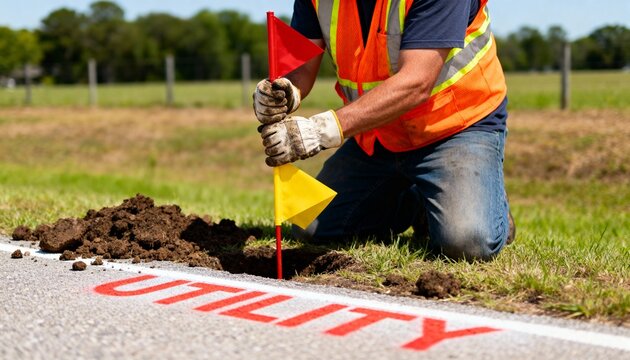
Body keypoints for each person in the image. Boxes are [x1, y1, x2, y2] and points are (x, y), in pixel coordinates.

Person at [253, 0, 515, 261]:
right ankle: (421, 201)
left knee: (466, 242)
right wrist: (286, 90)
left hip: (455, 126)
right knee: (308, 224)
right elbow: (301, 64)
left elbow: (416, 83)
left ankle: (488, 207)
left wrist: (322, 131)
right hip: (378, 134)